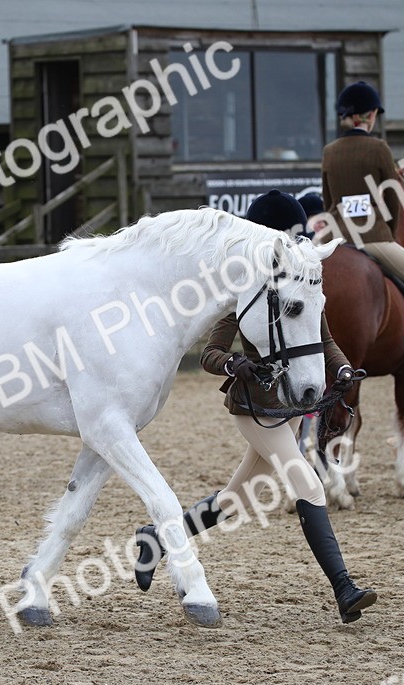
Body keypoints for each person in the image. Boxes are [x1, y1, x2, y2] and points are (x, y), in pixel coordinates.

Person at [132, 190, 379, 624]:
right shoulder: (245, 292)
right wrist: (235, 362)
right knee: (310, 485)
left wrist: (340, 370)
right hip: (255, 405)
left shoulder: (299, 283)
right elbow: (210, 353)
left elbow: (324, 340)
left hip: (283, 408)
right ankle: (344, 589)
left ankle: (155, 540)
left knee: (233, 500)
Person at [320, 81, 404, 374]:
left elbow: (328, 200)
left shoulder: (330, 151)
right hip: (373, 235)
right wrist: (385, 232)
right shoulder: (379, 148)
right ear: (371, 114)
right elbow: (393, 200)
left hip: (332, 236)